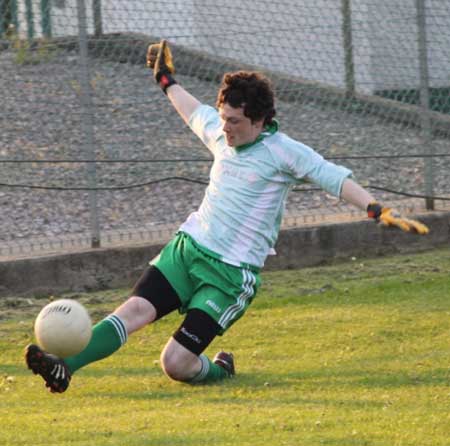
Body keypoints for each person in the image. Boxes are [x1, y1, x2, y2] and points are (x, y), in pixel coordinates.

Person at [25, 40, 429, 393]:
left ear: (259, 120)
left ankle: (219, 372)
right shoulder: (220, 130)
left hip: (230, 275)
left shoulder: (285, 152)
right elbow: (191, 110)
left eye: (235, 122)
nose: (226, 129)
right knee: (133, 312)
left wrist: (377, 210)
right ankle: (65, 367)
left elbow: (332, 178)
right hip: (188, 250)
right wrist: (165, 79)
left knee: (175, 364)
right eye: (224, 119)